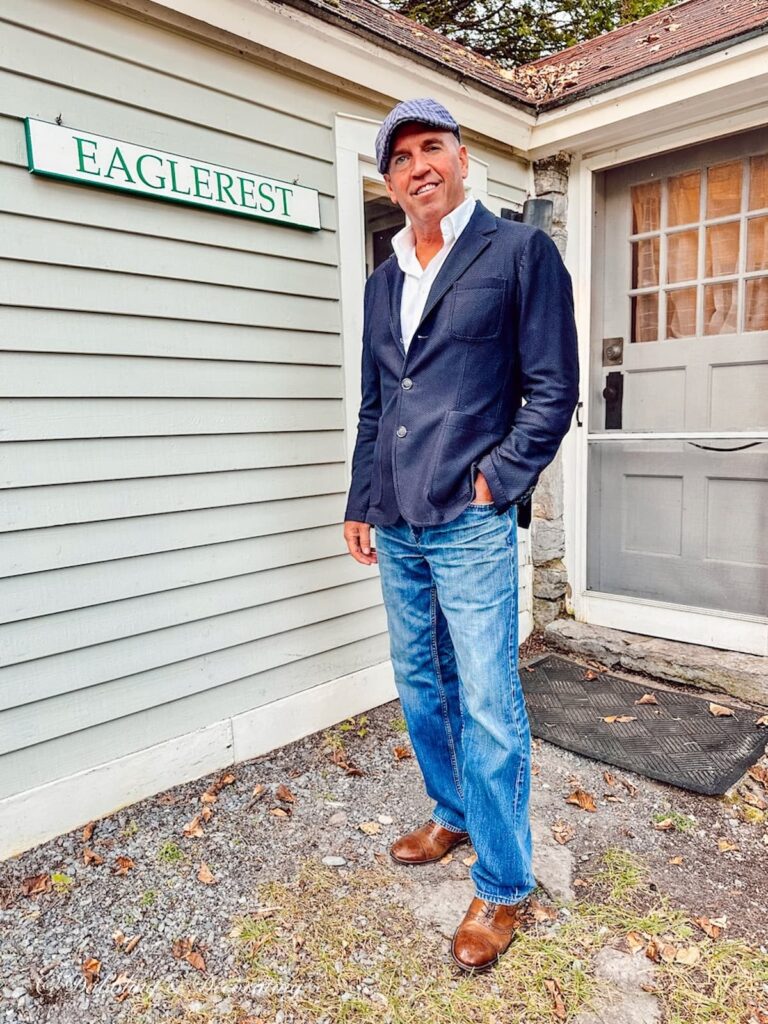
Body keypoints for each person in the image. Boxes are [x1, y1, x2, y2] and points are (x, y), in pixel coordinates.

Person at [343, 98, 579, 972]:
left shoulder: (518, 253)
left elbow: (553, 387)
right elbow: (377, 403)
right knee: (420, 681)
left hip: (469, 517)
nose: (418, 167)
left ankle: (505, 883)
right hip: (398, 518)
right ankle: (450, 811)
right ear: (391, 180)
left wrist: (495, 481)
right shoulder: (385, 273)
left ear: (462, 157)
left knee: (486, 698)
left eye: (430, 147)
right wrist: (361, 500)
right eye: (400, 157)